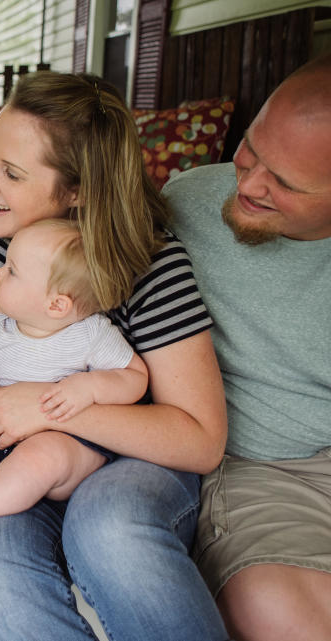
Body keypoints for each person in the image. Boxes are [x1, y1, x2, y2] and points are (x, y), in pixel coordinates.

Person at [0, 71, 230, 641]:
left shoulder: (150, 264)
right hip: (19, 461)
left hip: (134, 463)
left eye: (11, 172)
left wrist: (47, 409)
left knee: (106, 526)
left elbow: (200, 438)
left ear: (79, 191)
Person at [163, 53, 331, 641]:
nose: (249, 182)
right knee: (275, 608)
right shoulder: (186, 201)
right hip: (265, 472)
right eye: (251, 148)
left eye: (285, 182)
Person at [0, 219, 148, 533]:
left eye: (11, 271)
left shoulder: (91, 334)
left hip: (65, 448)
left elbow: (135, 376)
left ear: (56, 304)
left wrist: (89, 387)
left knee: (43, 456)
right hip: (0, 434)